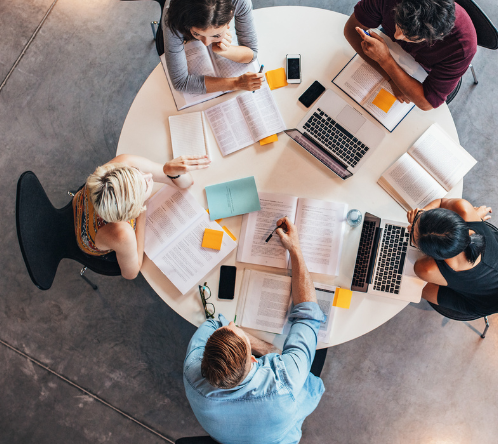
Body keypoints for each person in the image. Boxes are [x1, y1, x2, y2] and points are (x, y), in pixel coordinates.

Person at [183, 217, 327, 444]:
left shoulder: (193, 373)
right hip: (282, 432)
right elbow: (308, 315)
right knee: (321, 347)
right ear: (254, 359)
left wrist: (266, 347)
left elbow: (213, 323)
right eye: (236, 329)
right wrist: (295, 250)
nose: (231, 324)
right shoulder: (285, 383)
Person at [343, 0, 477, 111]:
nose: (397, 35)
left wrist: (385, 61)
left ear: (435, 37)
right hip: (391, 51)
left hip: (425, 70)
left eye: (409, 36)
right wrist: (391, 78)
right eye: (398, 24)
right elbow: (350, 30)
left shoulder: (462, 48)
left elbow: (426, 103)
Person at [73, 154, 209, 280]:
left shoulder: (123, 163)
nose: (149, 175)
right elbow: (131, 273)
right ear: (133, 210)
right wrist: (143, 210)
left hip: (85, 204)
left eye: (138, 172)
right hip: (88, 240)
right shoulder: (122, 233)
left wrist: (171, 173)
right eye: (144, 187)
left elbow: (186, 183)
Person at [408, 198, 498, 316]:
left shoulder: (426, 269)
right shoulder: (464, 208)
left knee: (415, 287)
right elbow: (441, 202)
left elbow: (441, 203)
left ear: (432, 254)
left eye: (411, 234)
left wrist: (419, 222)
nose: (409, 227)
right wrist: (421, 214)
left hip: (491, 302)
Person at [162, 0, 264, 94]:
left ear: (230, 17)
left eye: (215, 35)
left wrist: (225, 50)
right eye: (197, 33)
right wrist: (237, 83)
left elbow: (251, 54)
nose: (206, 43)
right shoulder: (173, 17)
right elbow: (180, 83)